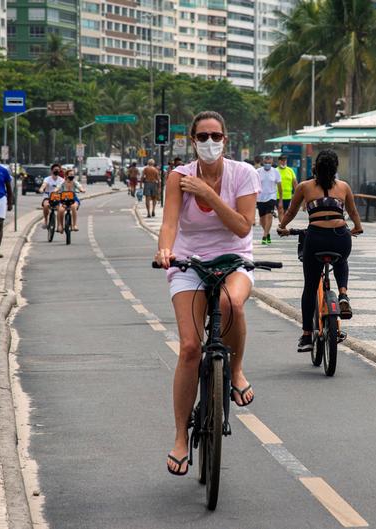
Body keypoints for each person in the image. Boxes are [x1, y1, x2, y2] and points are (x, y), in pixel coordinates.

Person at [155, 111, 261, 476]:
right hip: (189, 263)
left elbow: (242, 225)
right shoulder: (178, 177)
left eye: (216, 136)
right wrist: (165, 250)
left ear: (225, 140)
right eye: (202, 136)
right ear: (191, 140)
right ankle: (181, 437)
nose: (209, 142)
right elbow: (169, 223)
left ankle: (235, 370)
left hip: (234, 259)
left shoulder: (244, 174)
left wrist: (208, 195)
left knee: (232, 303)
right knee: (188, 348)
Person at [277, 150, 363, 352]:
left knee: (310, 286)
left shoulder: (304, 187)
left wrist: (282, 227)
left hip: (315, 238)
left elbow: (290, 211)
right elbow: (353, 212)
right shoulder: (344, 186)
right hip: (340, 236)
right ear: (335, 169)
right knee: (341, 261)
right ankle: (343, 294)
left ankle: (307, 335)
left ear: (315, 167)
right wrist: (357, 228)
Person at [255, 154, 283, 245]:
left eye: (269, 163)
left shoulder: (275, 172)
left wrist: (280, 200)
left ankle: (264, 235)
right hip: (260, 198)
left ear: (272, 163)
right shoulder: (258, 171)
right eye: (266, 163)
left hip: (272, 197)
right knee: (262, 219)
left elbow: (279, 187)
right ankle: (267, 233)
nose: (268, 164)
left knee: (269, 216)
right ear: (263, 162)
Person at [38, 164, 64, 229]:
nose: (57, 171)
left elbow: (60, 187)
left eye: (58, 170)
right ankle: (45, 221)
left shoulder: (61, 180)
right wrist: (41, 189)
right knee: (46, 205)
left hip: (57, 197)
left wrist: (56, 191)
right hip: (48, 197)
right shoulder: (47, 179)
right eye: (55, 170)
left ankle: (59, 225)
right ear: (52, 171)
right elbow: (44, 184)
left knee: (60, 209)